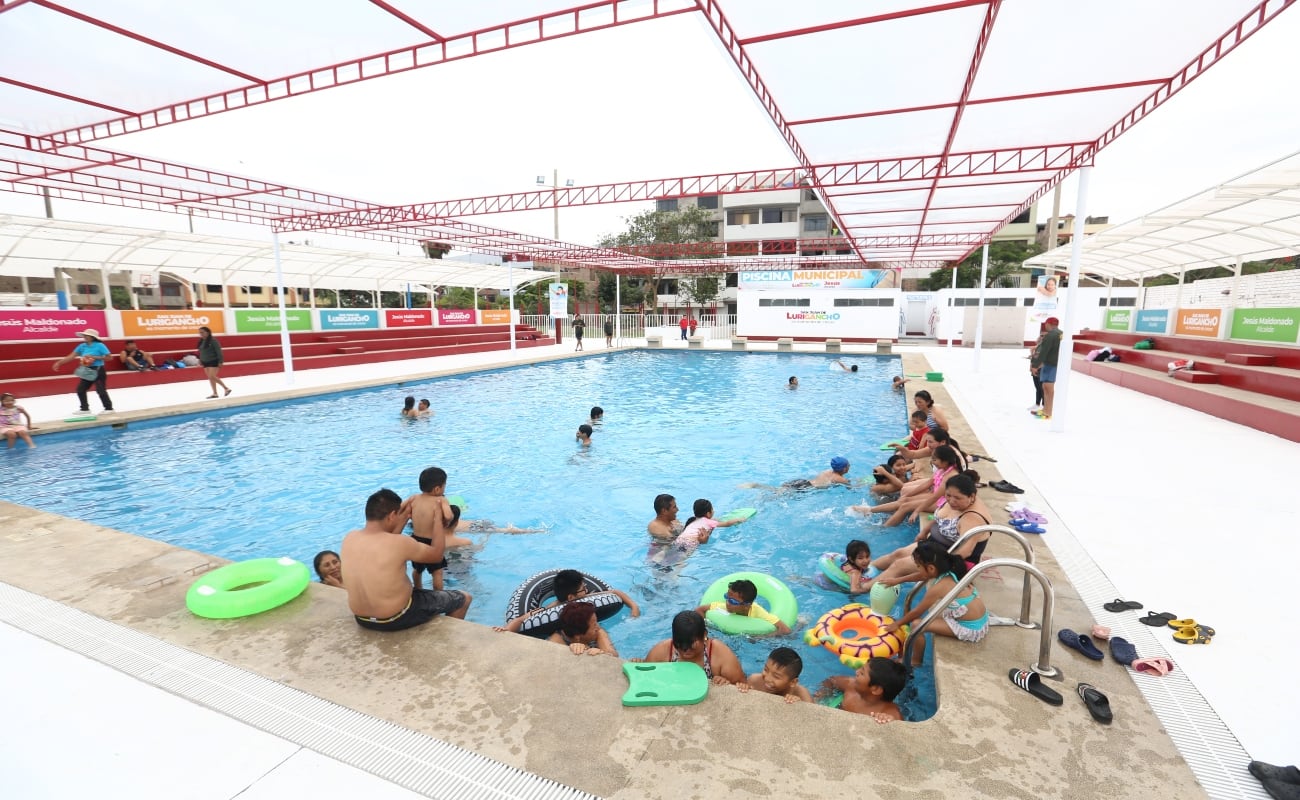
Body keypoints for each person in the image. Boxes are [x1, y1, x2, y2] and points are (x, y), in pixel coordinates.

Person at [340, 488, 471, 631]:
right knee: (463, 598)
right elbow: (436, 555)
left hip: (362, 619)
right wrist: (438, 520)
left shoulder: (350, 538)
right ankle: (444, 640)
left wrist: (402, 518)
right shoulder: (400, 543)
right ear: (391, 516)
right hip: (395, 617)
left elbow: (387, 541)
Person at [870, 473, 993, 586]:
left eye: (957, 498)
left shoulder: (972, 518)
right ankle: (863, 568)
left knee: (899, 565)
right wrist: (924, 532)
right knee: (898, 554)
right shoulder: (958, 501)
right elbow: (941, 518)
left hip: (951, 559)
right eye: (948, 495)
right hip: (935, 545)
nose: (951, 500)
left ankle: (862, 589)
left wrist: (935, 565)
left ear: (972, 496)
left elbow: (965, 552)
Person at [881, 539, 988, 663]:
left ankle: (915, 661)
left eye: (918, 566)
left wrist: (897, 623)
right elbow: (922, 575)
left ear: (931, 568)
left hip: (971, 628)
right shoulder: (951, 567)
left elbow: (916, 612)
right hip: (980, 618)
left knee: (917, 625)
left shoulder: (939, 587)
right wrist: (898, 580)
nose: (917, 569)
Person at [496, 568, 640, 633]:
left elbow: (615, 592)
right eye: (584, 589)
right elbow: (521, 619)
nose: (588, 591)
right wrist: (506, 630)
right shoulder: (549, 611)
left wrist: (633, 606)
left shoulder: (586, 598)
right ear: (571, 597)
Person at [852, 445, 961, 526]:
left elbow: (935, 497)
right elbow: (928, 483)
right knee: (903, 500)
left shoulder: (950, 476)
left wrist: (917, 511)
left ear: (945, 461)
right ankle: (869, 509)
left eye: (935, 459)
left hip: (943, 503)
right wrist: (909, 494)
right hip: (935, 496)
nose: (932, 462)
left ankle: (884, 528)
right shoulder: (942, 469)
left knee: (905, 506)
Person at [638, 610, 745, 686]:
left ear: (704, 635)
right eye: (680, 643)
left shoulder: (719, 653)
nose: (685, 650)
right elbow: (644, 678)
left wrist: (725, 682)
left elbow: (744, 686)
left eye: (691, 644)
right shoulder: (663, 650)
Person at [403, 466, 459, 591]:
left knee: (417, 570)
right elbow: (449, 515)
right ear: (437, 489)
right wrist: (447, 521)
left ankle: (418, 589)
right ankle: (438, 596)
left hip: (415, 540)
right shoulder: (440, 499)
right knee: (437, 573)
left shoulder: (414, 498)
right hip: (431, 543)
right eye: (444, 486)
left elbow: (401, 507)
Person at [694, 578, 792, 636]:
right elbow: (699, 610)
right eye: (727, 597)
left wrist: (761, 637)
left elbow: (785, 630)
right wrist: (703, 627)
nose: (727, 603)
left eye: (732, 601)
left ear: (746, 605)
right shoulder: (723, 606)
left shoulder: (759, 613)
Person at [821, 657, 907, 722]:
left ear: (876, 689)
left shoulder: (889, 712)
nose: (856, 672)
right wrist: (820, 696)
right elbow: (831, 681)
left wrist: (888, 720)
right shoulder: (851, 686)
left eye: (862, 673)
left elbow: (900, 731)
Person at [52, 328, 114, 415]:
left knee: (100, 390)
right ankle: (84, 409)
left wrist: (95, 357)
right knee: (80, 389)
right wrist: (59, 363)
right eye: (84, 335)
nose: (84, 337)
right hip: (87, 370)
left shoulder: (100, 345)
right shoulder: (82, 346)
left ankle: (109, 408)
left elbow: (109, 357)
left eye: (87, 335)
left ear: (92, 337)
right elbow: (72, 356)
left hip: (98, 370)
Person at [672, 498, 748, 555]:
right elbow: (727, 523)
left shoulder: (692, 520)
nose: (714, 511)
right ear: (708, 514)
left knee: (673, 554)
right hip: (690, 543)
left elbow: (713, 521)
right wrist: (739, 519)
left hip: (679, 540)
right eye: (712, 509)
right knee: (680, 562)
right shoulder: (709, 522)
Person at [736, 646, 811, 703]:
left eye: (776, 676)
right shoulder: (754, 680)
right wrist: (744, 687)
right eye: (766, 669)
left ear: (793, 682)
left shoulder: (802, 695)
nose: (767, 679)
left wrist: (799, 704)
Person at [546, 601, 619, 656]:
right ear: (578, 636)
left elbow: (613, 656)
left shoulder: (598, 631)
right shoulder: (556, 643)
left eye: (596, 622)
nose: (598, 627)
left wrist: (601, 654)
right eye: (594, 625)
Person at [1030, 317, 1062, 419]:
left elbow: (1044, 351)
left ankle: (1048, 412)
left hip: (1050, 364)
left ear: (1048, 324)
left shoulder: (1051, 335)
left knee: (1048, 388)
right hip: (1053, 363)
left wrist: (1035, 365)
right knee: (1045, 387)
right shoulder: (1061, 334)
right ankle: (1045, 410)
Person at [197, 326, 231, 399]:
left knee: (212, 376)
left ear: (208, 332)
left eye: (202, 332)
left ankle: (226, 388)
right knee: (210, 378)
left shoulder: (213, 341)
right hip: (205, 361)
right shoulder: (201, 341)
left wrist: (220, 361)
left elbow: (219, 352)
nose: (201, 334)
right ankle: (215, 393)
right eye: (200, 333)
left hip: (213, 361)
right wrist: (200, 359)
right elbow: (201, 351)